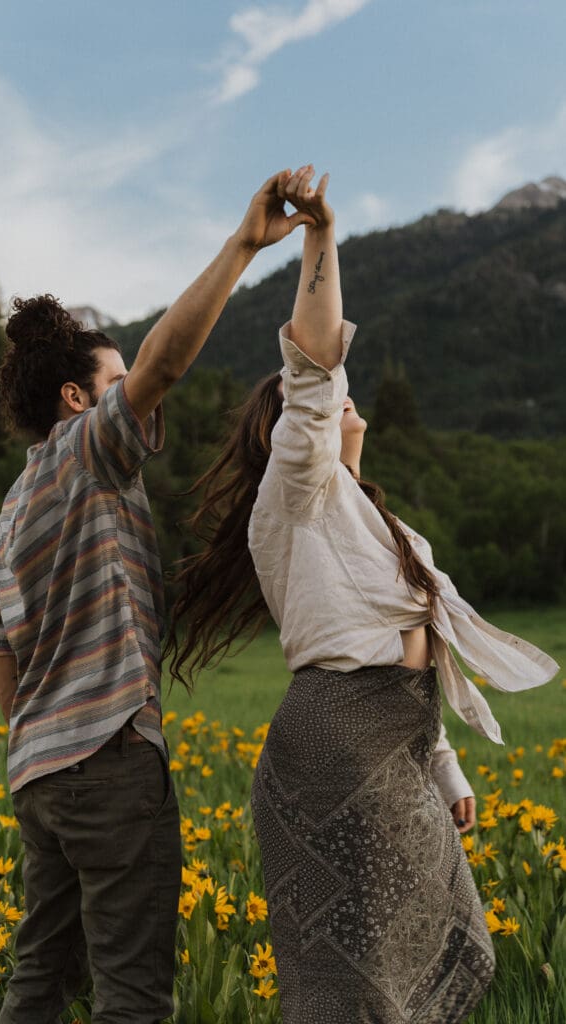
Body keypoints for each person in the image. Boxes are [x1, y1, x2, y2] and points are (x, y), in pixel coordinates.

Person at [166, 167, 559, 1023]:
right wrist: (319, 235)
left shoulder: (370, 519)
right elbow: (312, 374)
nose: (345, 400)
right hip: (339, 741)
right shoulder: (292, 494)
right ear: (295, 422)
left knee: (430, 941)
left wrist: (443, 758)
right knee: (358, 979)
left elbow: (415, 652)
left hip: (392, 739)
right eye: (329, 397)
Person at [0, 168, 316, 1024]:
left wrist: (38, 742)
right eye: (116, 380)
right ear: (75, 400)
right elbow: (168, 359)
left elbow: (1, 654)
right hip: (106, 762)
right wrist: (244, 244)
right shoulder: (83, 454)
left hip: (40, 779)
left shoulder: (11, 509)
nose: (135, 389)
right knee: (133, 998)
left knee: (38, 981)